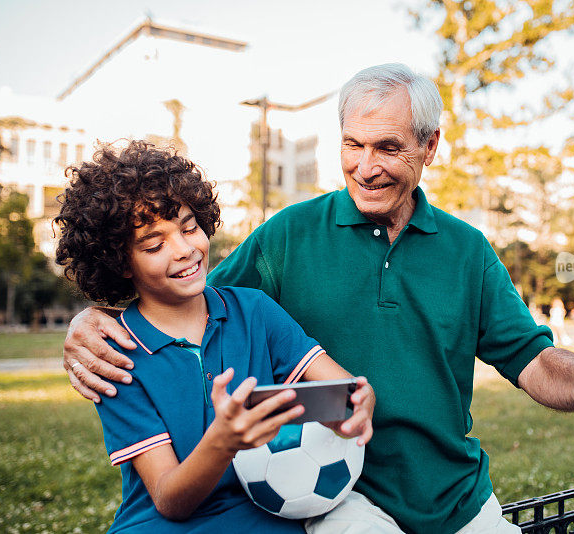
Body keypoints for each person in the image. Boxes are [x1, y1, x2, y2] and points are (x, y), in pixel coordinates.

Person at [62, 64, 574, 534]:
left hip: (456, 496)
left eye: (388, 147)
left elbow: (534, 361)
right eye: (353, 145)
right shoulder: (286, 238)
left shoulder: (468, 252)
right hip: (338, 495)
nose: (366, 167)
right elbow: (184, 296)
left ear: (429, 146)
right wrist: (93, 318)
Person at [54, 141, 375, 532]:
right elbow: (171, 500)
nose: (185, 249)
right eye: (155, 245)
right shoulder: (114, 356)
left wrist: (356, 403)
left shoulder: (254, 311)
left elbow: (340, 388)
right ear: (120, 262)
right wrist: (222, 441)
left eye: (190, 227)